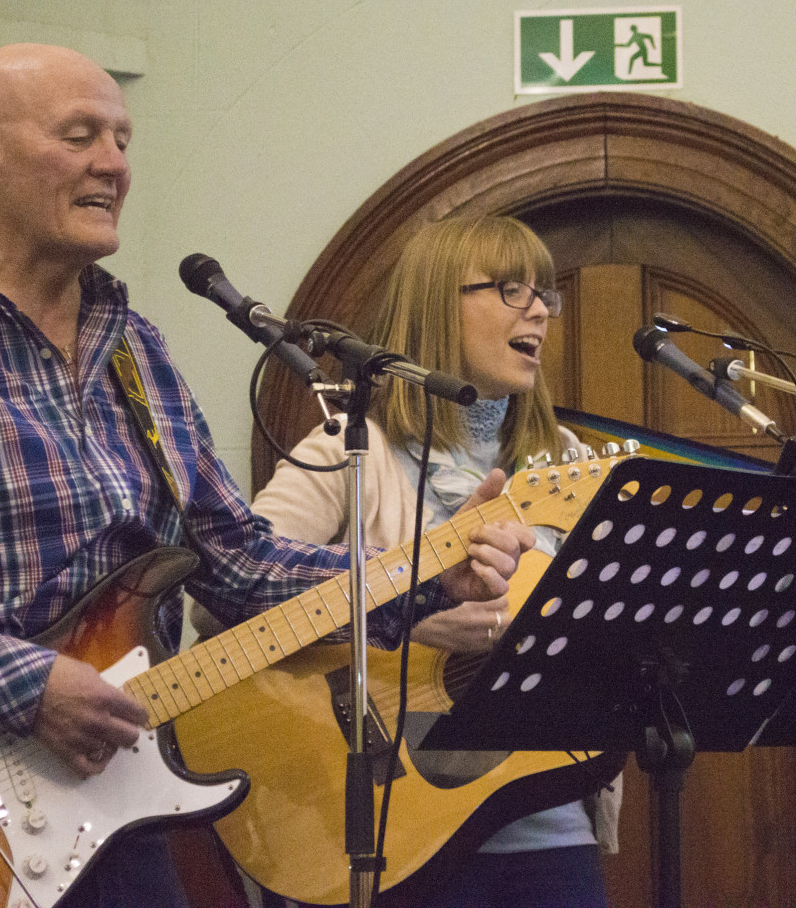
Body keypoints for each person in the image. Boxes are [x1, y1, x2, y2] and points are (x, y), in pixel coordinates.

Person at [0, 44, 527, 908]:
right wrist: (21, 685)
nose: (115, 165)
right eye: (82, 135)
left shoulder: (136, 349)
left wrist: (427, 574)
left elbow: (236, 560)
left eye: (123, 140)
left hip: (121, 804)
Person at [246, 215, 619, 908]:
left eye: (545, 294)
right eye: (512, 288)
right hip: (385, 814)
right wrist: (408, 621)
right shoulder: (348, 451)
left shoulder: (566, 461)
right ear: (436, 307)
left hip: (541, 813)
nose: (539, 308)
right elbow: (227, 599)